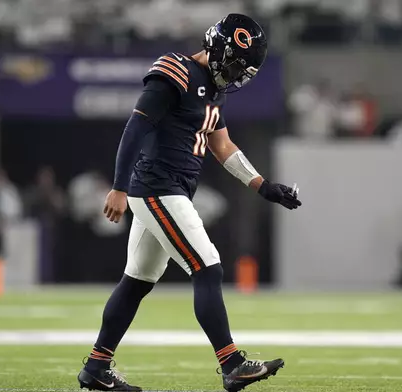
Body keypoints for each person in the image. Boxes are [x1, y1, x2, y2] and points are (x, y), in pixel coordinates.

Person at [77, 14, 301, 392]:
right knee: (207, 267)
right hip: (157, 187)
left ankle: (96, 367)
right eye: (232, 64)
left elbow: (222, 145)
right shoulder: (175, 71)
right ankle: (231, 363)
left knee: (136, 282)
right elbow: (136, 126)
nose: (233, 75)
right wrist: (117, 187)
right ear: (215, 47)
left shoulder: (214, 91)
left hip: (169, 189)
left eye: (240, 70)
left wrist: (264, 186)